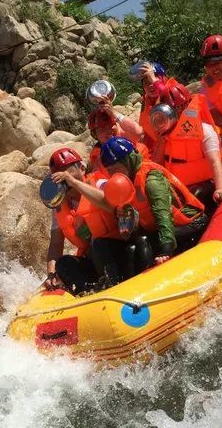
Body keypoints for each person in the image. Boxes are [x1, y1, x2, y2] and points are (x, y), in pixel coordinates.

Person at [97, 136, 209, 267]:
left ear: (128, 161)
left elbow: (163, 215)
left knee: (145, 242)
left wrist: (166, 248)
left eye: (115, 169)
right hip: (167, 229)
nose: (113, 175)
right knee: (125, 248)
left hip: (192, 224)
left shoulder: (152, 180)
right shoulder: (126, 182)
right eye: (109, 171)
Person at [43, 147, 117, 294]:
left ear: (82, 169)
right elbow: (56, 244)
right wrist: (51, 274)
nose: (63, 179)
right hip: (94, 259)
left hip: (119, 250)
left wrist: (74, 183)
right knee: (63, 263)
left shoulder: (100, 184)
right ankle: (88, 293)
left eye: (66, 172)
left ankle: (115, 286)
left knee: (99, 246)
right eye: (58, 175)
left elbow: (110, 204)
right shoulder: (60, 206)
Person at [147, 99, 222, 211]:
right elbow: (157, 166)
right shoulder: (163, 136)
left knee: (199, 194)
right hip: (181, 190)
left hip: (207, 184)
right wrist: (161, 142)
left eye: (178, 107)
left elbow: (215, 162)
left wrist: (220, 189)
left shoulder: (204, 130)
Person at [131, 60, 216, 152]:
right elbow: (147, 132)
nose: (151, 85)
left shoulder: (175, 89)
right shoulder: (147, 101)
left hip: (186, 143)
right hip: (162, 148)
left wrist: (155, 81)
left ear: (163, 79)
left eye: (153, 80)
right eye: (146, 83)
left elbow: (170, 100)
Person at [87, 100, 149, 173]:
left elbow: (138, 132)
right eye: (102, 129)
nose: (109, 131)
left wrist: (114, 113)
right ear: (94, 135)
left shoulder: (125, 137)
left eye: (111, 125)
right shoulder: (98, 156)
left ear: (117, 125)